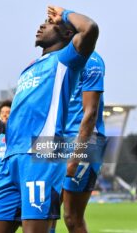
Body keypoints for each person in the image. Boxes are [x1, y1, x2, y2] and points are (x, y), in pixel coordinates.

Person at [0, 5, 99, 233]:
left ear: (67, 34)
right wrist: (4, 126)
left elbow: (90, 29)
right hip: (10, 158)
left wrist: (64, 14)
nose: (41, 25)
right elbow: (30, 115)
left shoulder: (66, 61)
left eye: (49, 23)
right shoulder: (28, 69)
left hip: (43, 152)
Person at [51, 51, 106, 233]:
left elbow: (90, 113)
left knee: (72, 216)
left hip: (83, 141)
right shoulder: (54, 60)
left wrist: (75, 157)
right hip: (53, 140)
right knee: (44, 211)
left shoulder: (92, 60)